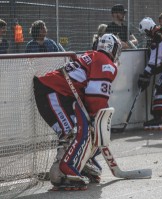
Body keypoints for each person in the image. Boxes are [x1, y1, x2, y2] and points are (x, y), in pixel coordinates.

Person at [33, 33, 122, 190]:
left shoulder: (92, 55)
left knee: (81, 130)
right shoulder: (105, 62)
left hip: (56, 92)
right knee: (74, 131)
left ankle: (80, 163)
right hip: (54, 92)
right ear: (113, 49)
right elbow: (96, 96)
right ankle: (64, 171)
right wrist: (95, 116)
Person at [137, 17, 162, 130]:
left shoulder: (158, 37)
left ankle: (159, 118)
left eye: (146, 32)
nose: (147, 35)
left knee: (160, 88)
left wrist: (145, 74)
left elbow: (154, 61)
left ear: (148, 29)